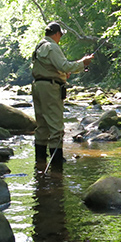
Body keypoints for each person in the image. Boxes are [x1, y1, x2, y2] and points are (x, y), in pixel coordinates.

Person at [31, 22, 93, 166]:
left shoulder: (39, 46)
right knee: (56, 128)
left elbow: (50, 68)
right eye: (61, 35)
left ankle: (40, 163)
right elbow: (64, 66)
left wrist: (63, 74)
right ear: (57, 34)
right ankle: (56, 165)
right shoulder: (52, 46)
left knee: (42, 126)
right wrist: (83, 62)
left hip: (38, 86)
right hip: (50, 89)